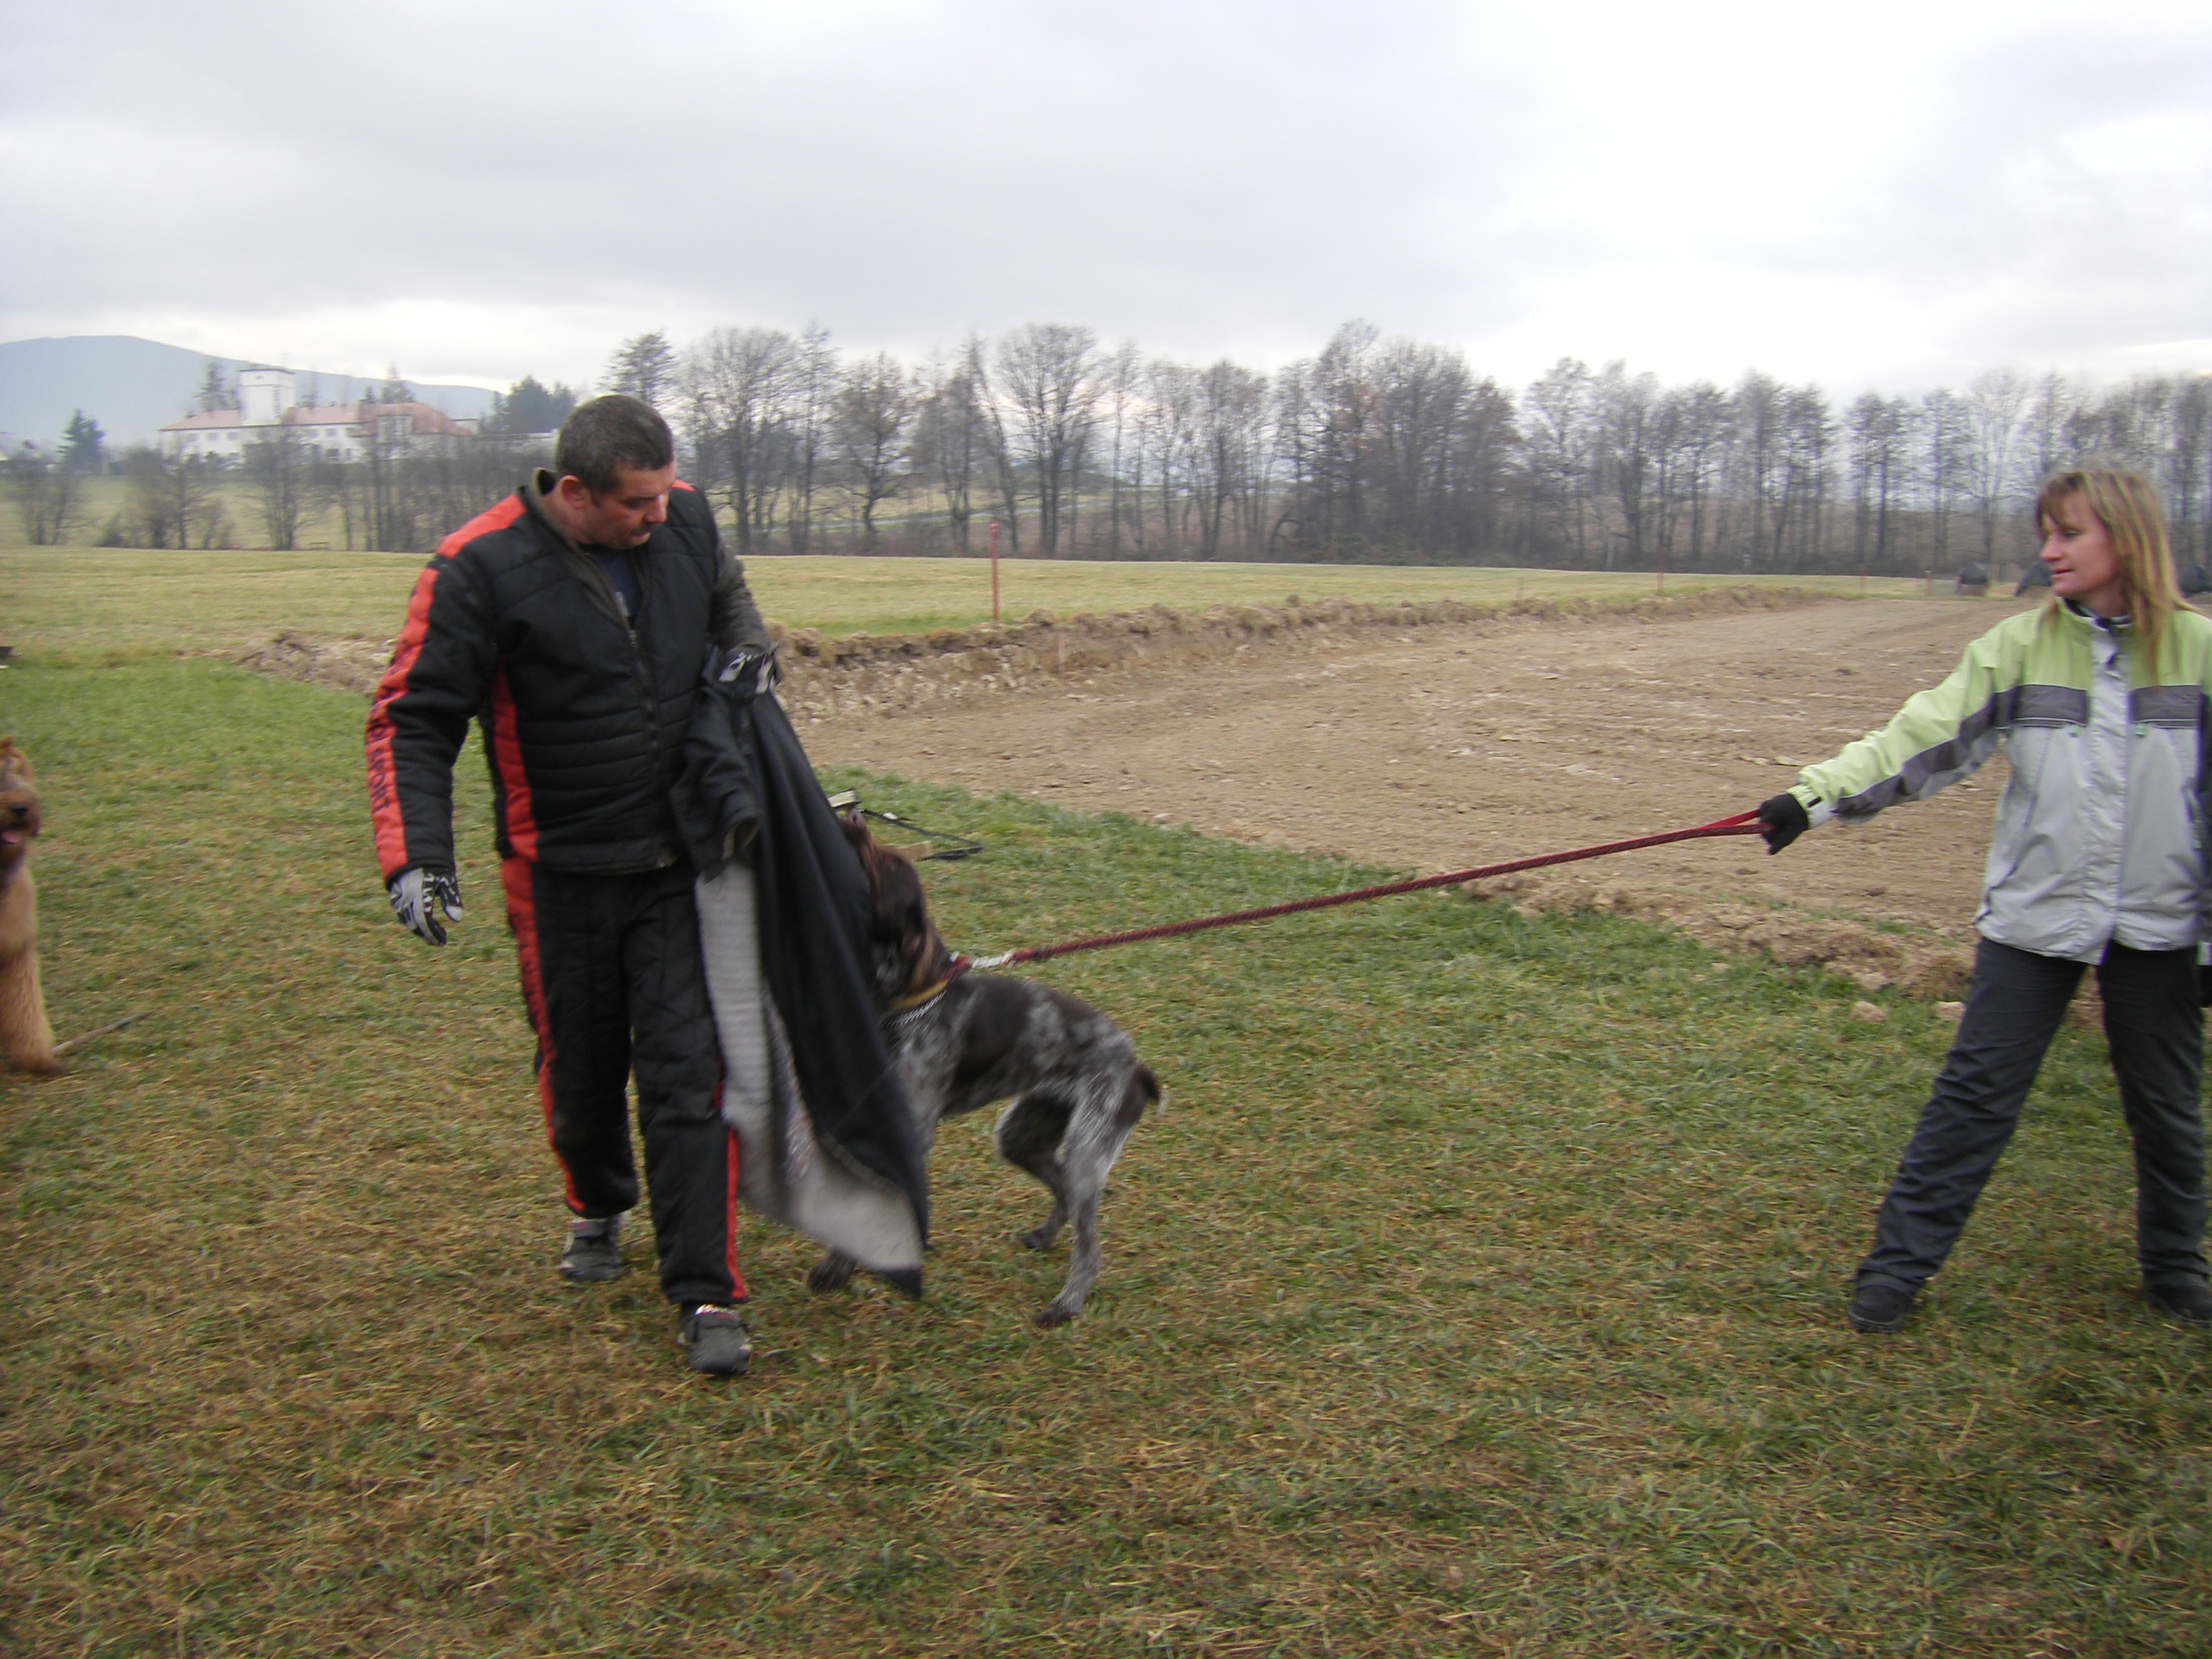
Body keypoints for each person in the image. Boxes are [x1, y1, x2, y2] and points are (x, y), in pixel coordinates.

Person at [364, 395, 771, 1375]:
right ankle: (596, 1203)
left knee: (689, 1075)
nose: (659, 518)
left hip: (679, 861)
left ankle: (705, 1289)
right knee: (581, 1074)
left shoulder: (690, 518)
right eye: (638, 504)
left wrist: (752, 644)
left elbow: (727, 595)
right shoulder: (477, 568)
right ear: (575, 491)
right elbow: (413, 721)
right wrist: (416, 856)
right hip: (556, 876)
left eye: (669, 494)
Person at [1755, 467, 2212, 1335]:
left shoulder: (2200, 654)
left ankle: (2176, 1271)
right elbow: (1923, 735)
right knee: (1974, 1096)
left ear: (2127, 537)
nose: (2049, 550)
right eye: (2047, 532)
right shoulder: (2020, 647)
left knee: (2166, 1104)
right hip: (2035, 922)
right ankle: (1895, 1274)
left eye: (2069, 533)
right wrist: (1811, 799)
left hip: (2160, 927)